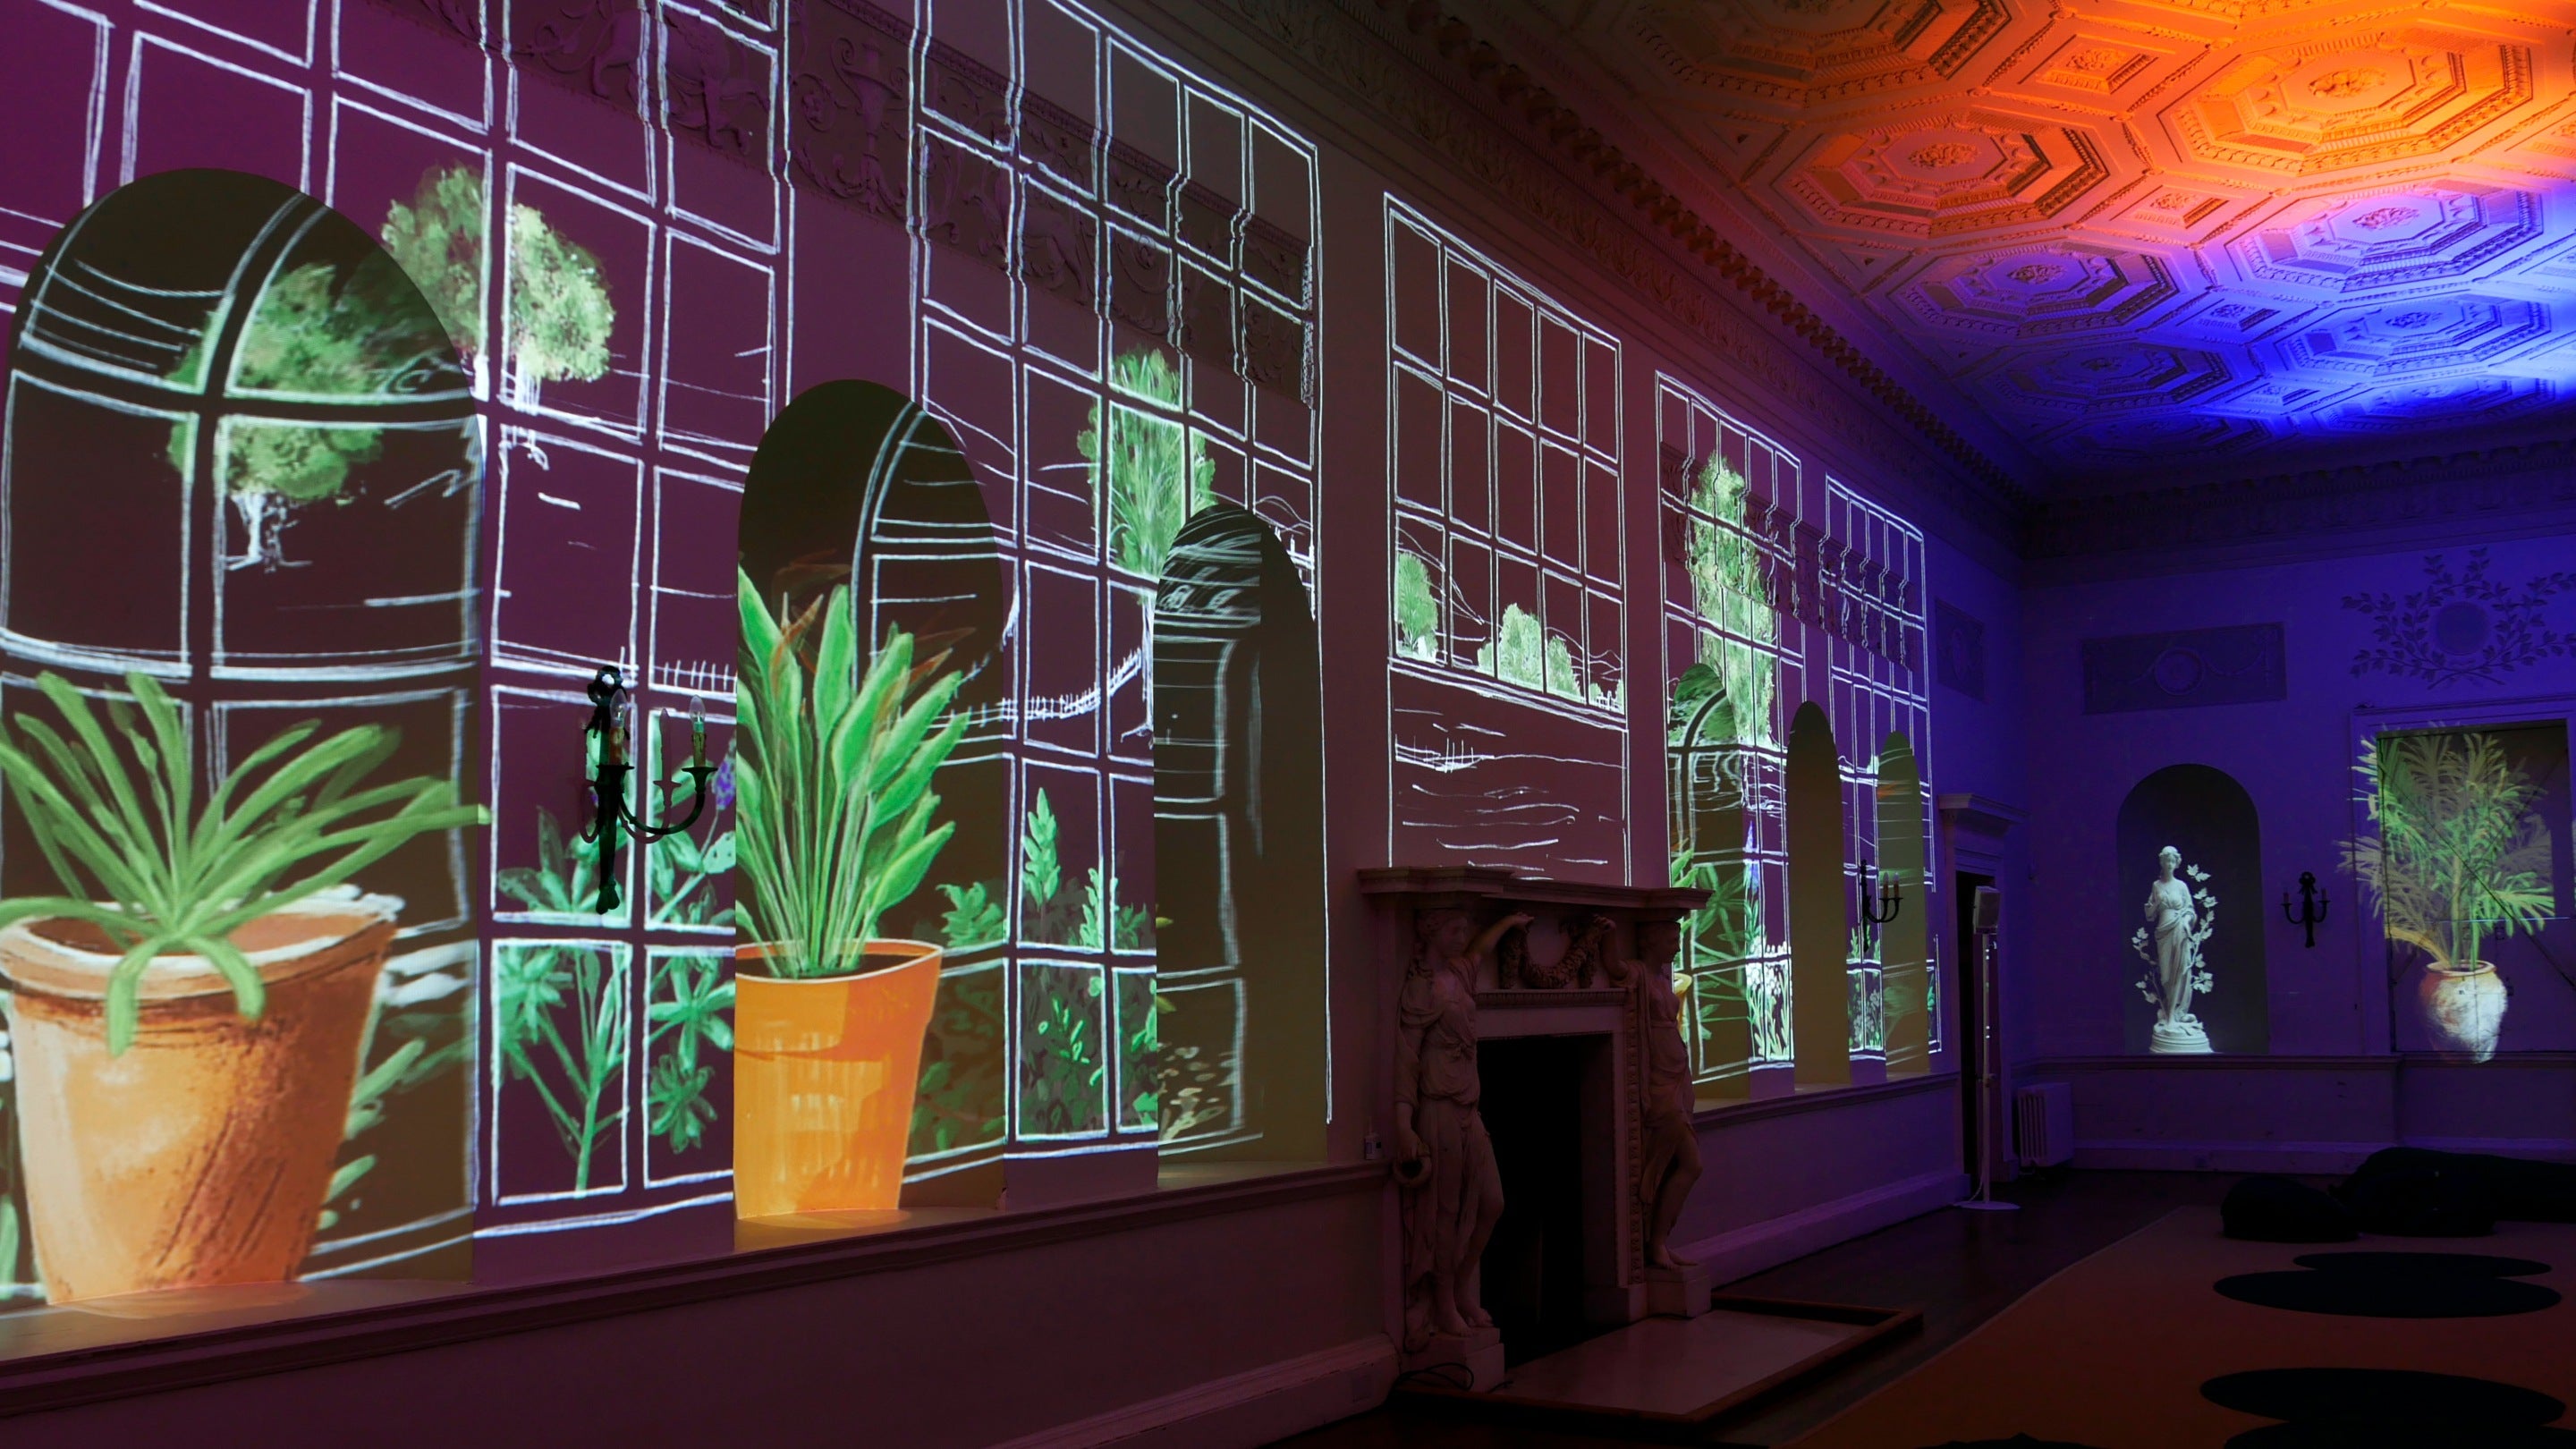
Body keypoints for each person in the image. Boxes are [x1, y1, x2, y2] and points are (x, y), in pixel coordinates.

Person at [1394, 906, 1529, 1350]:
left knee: (1492, 1202)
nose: (1462, 934)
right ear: (1431, 930)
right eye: (1453, 927)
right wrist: (1403, 1125)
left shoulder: (1459, 975)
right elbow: (1407, 1061)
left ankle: (1459, 1289)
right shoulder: (1422, 989)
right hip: (1438, 1110)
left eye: (1463, 926)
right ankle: (1445, 1302)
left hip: (1469, 1108)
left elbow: (1478, 951)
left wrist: (1508, 924)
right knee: (1445, 1213)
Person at [1614, 918, 1703, 1271]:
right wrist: (1607, 934)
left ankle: (1660, 1242)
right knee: (1691, 1164)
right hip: (1658, 1082)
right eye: (1672, 939)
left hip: (1676, 1074)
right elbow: (1613, 967)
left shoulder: (1662, 979)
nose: (1677, 947)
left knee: (1678, 1166)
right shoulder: (1638, 974)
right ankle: (1657, 1244)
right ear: (1651, 940)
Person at [2145, 845, 2199, 1029]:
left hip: (2179, 931)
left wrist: (2186, 920)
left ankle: (2172, 1018)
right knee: (2166, 976)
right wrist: (2157, 902)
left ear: (2177, 863)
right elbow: (2149, 915)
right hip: (2163, 932)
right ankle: (2170, 1011)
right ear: (2161, 862)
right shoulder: (2156, 886)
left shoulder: (2182, 886)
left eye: (2172, 860)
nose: (2169, 863)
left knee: (2179, 971)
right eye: (2166, 860)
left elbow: (2191, 910)